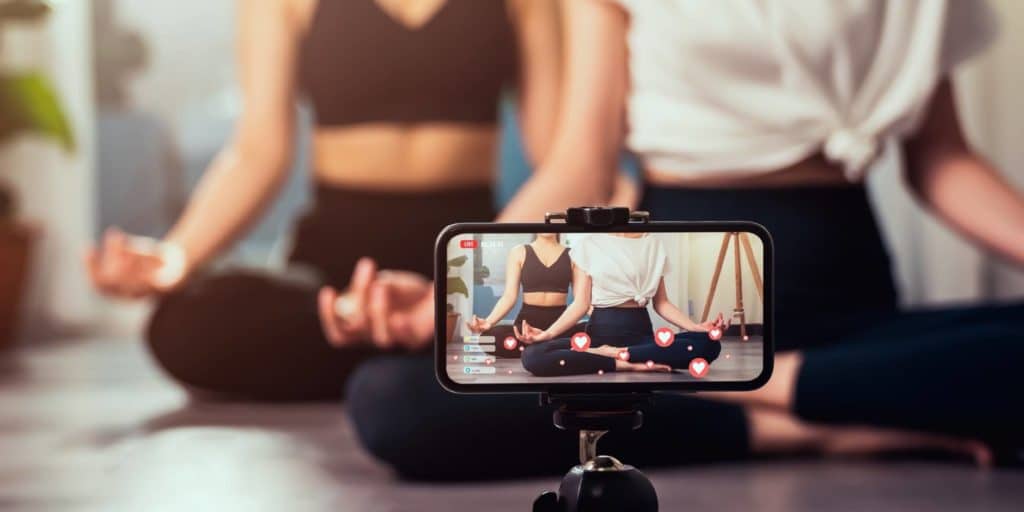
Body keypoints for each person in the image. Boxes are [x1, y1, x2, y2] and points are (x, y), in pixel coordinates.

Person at [333, 0, 1024, 480]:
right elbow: (582, 167)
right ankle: (815, 419)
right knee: (395, 401)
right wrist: (454, 297)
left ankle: (772, 389)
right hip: (667, 314)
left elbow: (942, 161)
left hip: (842, 306)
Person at [85, 0, 563, 400]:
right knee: (182, 327)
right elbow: (258, 151)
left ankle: (404, 349)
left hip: (461, 256)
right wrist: (177, 256)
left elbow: (559, 156)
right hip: (336, 263)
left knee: (542, 322)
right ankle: (399, 348)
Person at [516, 233, 726, 375]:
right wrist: (547, 334)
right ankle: (624, 363)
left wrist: (698, 328)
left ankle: (619, 353)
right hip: (598, 338)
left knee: (709, 344)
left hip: (640, 338)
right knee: (533, 355)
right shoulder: (590, 243)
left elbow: (662, 303)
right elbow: (581, 304)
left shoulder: (652, 242)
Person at [467, 233, 582, 358]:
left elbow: (581, 301)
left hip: (560, 325)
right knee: (488, 338)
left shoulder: (574, 255)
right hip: (526, 325)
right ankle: (548, 347)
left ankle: (538, 347)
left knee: (590, 331)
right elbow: (509, 296)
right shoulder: (518, 252)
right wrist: (489, 322)